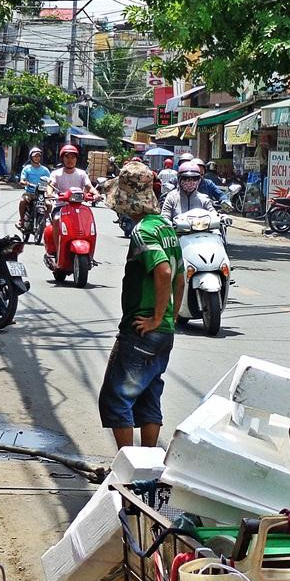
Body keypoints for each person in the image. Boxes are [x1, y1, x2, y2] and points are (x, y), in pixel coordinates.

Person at [98, 160, 185, 450]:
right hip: (164, 331)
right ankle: (148, 465)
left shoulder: (143, 231)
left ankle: (128, 467)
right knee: (149, 395)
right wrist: (169, 316)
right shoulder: (166, 228)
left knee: (116, 397)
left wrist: (156, 317)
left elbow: (164, 271)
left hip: (142, 329)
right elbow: (181, 276)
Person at [17, 147, 50, 229]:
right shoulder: (26, 169)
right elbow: (22, 180)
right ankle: (21, 220)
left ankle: (44, 220)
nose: (37, 158)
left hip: (42, 194)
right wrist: (24, 182)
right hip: (30, 193)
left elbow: (50, 182)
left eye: (38, 156)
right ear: (31, 157)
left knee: (49, 205)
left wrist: (49, 190)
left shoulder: (45, 170)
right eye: (35, 156)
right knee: (22, 201)